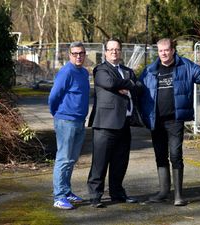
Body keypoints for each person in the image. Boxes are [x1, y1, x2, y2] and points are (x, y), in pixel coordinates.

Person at [139, 38, 200, 206]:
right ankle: (163, 192)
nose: (164, 53)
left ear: (173, 50)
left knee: (175, 155)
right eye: (161, 51)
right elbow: (139, 90)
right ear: (158, 52)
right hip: (157, 121)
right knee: (160, 156)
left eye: (166, 50)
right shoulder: (150, 70)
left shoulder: (185, 66)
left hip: (175, 120)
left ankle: (178, 196)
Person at [87, 38, 142, 208]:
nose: (114, 52)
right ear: (105, 52)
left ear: (120, 51)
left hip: (124, 123)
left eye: (117, 49)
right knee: (100, 163)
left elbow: (139, 86)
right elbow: (110, 83)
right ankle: (95, 196)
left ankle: (117, 193)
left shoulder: (127, 71)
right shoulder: (101, 70)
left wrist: (129, 85)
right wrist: (129, 84)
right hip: (105, 124)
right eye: (110, 49)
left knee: (120, 162)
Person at [48, 42, 90, 210]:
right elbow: (53, 96)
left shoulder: (84, 72)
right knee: (64, 158)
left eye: (81, 53)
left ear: (85, 54)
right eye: (74, 53)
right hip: (66, 121)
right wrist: (58, 113)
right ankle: (58, 197)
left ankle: (66, 191)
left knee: (72, 159)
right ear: (69, 55)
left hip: (80, 121)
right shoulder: (66, 72)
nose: (78, 56)